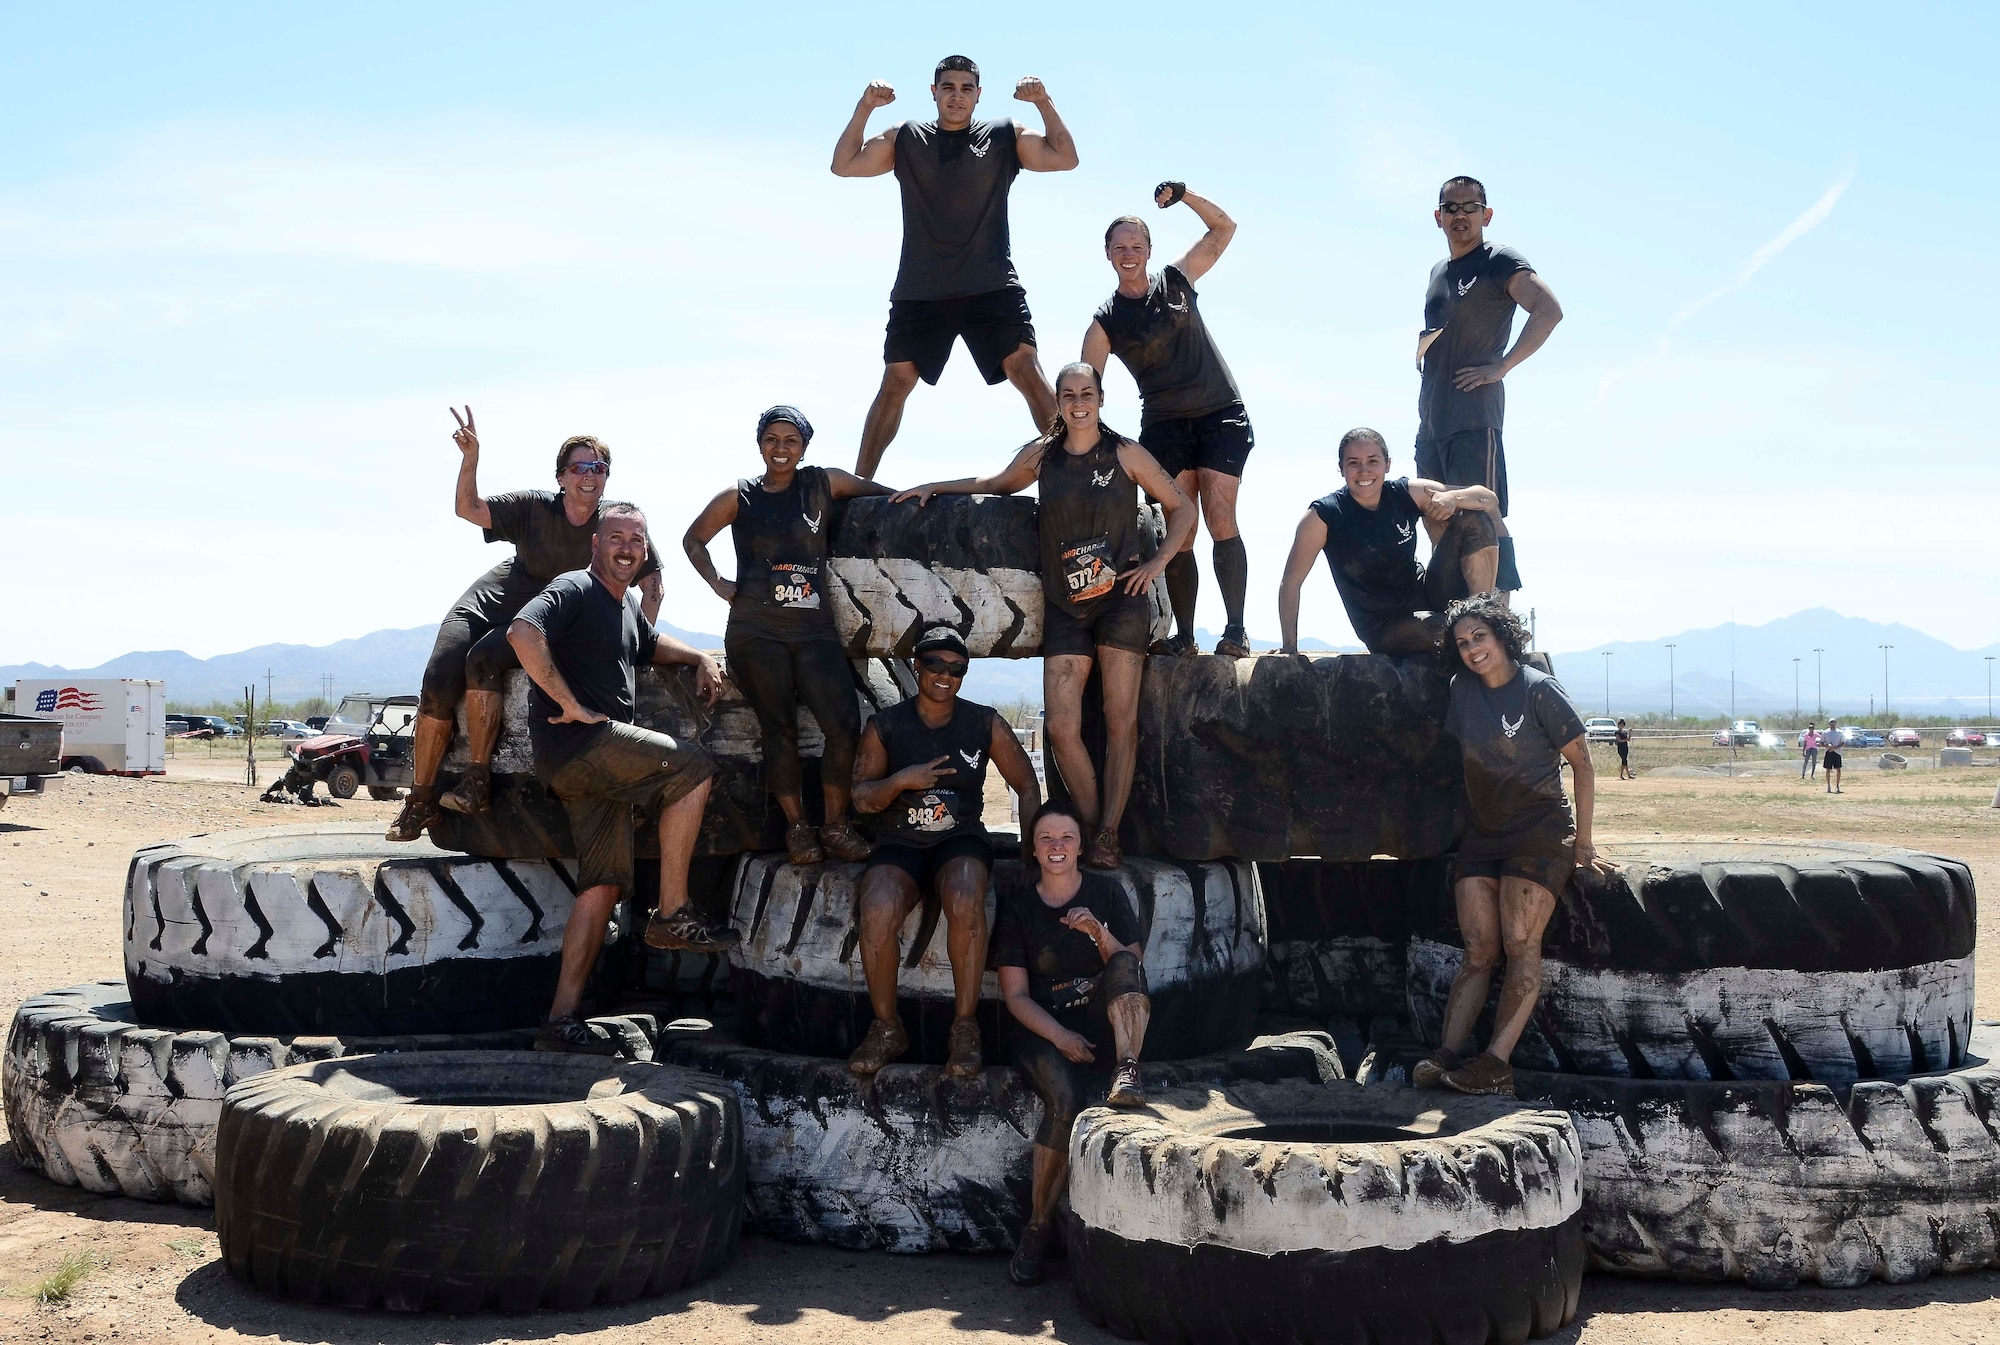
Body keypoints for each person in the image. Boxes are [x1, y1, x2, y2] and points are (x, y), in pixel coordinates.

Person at [893, 363, 1194, 869]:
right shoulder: (1043, 455)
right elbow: (997, 481)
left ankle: (1108, 836)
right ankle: (1098, 827)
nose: (1079, 402)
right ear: (1057, 401)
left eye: (1087, 393)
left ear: (1101, 398)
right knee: (1059, 726)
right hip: (1066, 608)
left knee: (1122, 721)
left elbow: (1181, 506)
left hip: (1121, 601)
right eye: (1069, 394)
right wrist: (935, 486)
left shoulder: (1126, 453)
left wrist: (1158, 562)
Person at [506, 504, 740, 1053]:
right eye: (617, 537)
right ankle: (673, 912)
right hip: (583, 745)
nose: (628, 548)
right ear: (595, 543)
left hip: (591, 770)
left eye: (637, 540)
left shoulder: (624, 607)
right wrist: (568, 702)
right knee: (693, 766)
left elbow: (651, 644)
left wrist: (701, 657)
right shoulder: (574, 588)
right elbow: (521, 632)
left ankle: (560, 1021)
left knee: (602, 885)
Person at [386, 409, 663, 843]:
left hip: (531, 622)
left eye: (598, 468)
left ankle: (477, 780)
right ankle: (419, 801)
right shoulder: (534, 507)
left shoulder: (615, 524)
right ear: (561, 476)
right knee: (439, 679)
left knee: (483, 661)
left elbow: (653, 586)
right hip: (489, 603)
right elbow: (468, 509)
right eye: (579, 467)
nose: (589, 476)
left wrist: (627, 648)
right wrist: (471, 457)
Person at [831, 55, 1078, 478]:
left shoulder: (1003, 136)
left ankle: (1077, 473)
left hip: (991, 285)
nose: (957, 96)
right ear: (934, 92)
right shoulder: (907, 138)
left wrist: (1043, 101)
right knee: (896, 381)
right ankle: (859, 487)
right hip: (922, 289)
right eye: (948, 87)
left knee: (1026, 367)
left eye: (966, 88)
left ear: (978, 95)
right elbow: (844, 164)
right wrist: (865, 107)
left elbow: (1065, 157)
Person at [1413, 593, 1609, 1096]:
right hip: (1484, 835)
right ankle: (1448, 1054)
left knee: (1521, 942)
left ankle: (1496, 1062)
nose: (1472, 648)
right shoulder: (1461, 690)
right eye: (1462, 642)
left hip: (1540, 833)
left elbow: (1583, 764)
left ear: (1502, 636)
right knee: (1479, 950)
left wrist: (1582, 841)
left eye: (1480, 636)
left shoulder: (1540, 690)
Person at [684, 406, 892, 865]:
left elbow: (883, 497)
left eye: (791, 440)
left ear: (804, 447)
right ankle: (799, 830)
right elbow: (693, 539)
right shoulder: (738, 496)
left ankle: (836, 827)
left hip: (813, 630)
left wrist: (921, 499)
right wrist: (719, 583)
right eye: (772, 439)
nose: (781, 449)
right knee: (779, 729)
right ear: (760, 444)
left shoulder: (823, 484)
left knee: (843, 725)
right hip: (756, 632)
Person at [846, 626, 1042, 1078]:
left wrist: (1031, 857)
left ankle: (965, 1027)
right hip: (900, 840)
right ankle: (887, 1028)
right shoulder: (887, 725)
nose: (945, 675)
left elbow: (1027, 785)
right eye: (935, 664)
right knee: (876, 909)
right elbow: (862, 797)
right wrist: (901, 781)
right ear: (917, 666)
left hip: (960, 839)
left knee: (965, 896)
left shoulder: (982, 721)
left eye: (956, 669)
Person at [1083, 183, 1253, 658]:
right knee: (1183, 525)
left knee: (1221, 516)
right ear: (1108, 255)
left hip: (1220, 413)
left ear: (1150, 251)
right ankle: (1185, 636)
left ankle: (1236, 630)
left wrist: (1184, 196)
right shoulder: (1105, 322)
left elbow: (1224, 229)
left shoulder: (1177, 280)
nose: (1129, 254)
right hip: (1164, 426)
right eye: (1120, 248)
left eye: (1137, 246)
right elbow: (1085, 389)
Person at [996, 799, 1151, 1287]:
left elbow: (1132, 967)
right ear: (1034, 850)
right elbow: (1015, 996)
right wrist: (1060, 1036)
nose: (1056, 846)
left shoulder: (1106, 893)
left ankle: (1128, 1069)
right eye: (1046, 839)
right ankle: (1038, 1229)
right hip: (1044, 1029)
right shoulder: (1019, 908)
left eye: (1065, 837)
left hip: (1104, 1022)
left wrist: (1098, 934)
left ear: (1081, 846)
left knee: (1123, 963)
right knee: (1065, 1100)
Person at [1415, 176, 1564, 600]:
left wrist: (1502, 366)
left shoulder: (1499, 261)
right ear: (1438, 217)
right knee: (1436, 513)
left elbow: (1549, 310)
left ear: (1487, 214)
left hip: (1473, 416)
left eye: (1470, 207)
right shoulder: (1438, 271)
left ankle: (1497, 608)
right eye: (1451, 207)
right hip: (1431, 418)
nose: (1460, 214)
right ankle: (1455, 605)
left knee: (1481, 509)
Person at [1275, 428, 1499, 656]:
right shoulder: (1323, 516)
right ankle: (1475, 632)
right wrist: (1289, 646)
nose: (1364, 471)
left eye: (1373, 461)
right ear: (1341, 468)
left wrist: (1453, 497)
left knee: (1475, 520)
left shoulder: (1404, 493)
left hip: (1426, 597)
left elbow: (1488, 498)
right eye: (1354, 463)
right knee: (1445, 628)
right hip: (1385, 626)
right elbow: (1291, 583)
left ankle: (1485, 619)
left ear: (1387, 464)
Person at [1823, 722, 1845, 793]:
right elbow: (1821, 742)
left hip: (1837, 753)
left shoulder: (1839, 732)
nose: (1832, 724)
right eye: (1831, 723)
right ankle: (1828, 786)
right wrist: (1827, 746)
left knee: (1838, 769)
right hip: (1828, 752)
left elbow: (1843, 742)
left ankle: (1837, 786)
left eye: (1833, 723)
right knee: (1828, 769)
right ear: (1829, 724)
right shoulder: (1825, 732)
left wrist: (1835, 748)